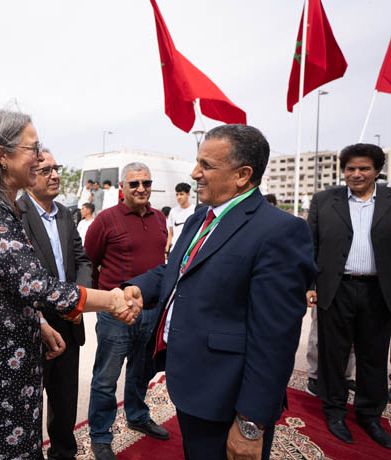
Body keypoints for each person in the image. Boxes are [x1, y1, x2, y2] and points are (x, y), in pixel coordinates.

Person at [0, 109, 140, 460]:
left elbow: (1, 285)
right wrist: (112, 300)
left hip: (5, 364)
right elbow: (35, 284)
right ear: (3, 155)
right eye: (33, 148)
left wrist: (38, 323)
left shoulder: (1, 205)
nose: (40, 158)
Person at [123, 124, 316, 460]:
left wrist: (250, 423)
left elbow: (275, 340)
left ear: (242, 175)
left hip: (227, 395)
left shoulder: (280, 231)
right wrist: (139, 287)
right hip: (192, 385)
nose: (194, 173)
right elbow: (177, 270)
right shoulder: (201, 218)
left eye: (207, 166)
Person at [305, 143, 391, 448]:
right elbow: (310, 246)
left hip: (379, 291)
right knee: (333, 354)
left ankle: (369, 415)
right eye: (350, 168)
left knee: (374, 356)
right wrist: (310, 285)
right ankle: (335, 411)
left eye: (364, 168)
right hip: (335, 289)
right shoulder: (324, 201)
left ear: (377, 171)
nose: (356, 174)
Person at [84, 162, 169, 460]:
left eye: (146, 182)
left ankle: (137, 415)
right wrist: (106, 301)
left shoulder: (159, 218)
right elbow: (89, 262)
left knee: (141, 371)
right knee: (106, 378)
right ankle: (100, 435)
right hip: (116, 315)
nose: (141, 188)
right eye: (134, 183)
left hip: (151, 312)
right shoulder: (106, 219)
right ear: (122, 187)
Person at [17, 148, 92, 460]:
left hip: (70, 323)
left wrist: (79, 301)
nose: (55, 175)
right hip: (35, 327)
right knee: (27, 408)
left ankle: (63, 454)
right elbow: (17, 278)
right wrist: (42, 319)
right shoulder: (15, 213)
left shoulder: (64, 214)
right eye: (46, 170)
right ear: (30, 174)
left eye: (56, 168)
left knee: (65, 403)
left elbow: (82, 261)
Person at [165, 182, 196, 254]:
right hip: (174, 250)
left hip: (188, 251)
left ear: (188, 195)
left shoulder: (194, 210)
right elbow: (171, 233)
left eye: (181, 194)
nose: (179, 197)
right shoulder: (173, 211)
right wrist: (166, 250)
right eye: (177, 194)